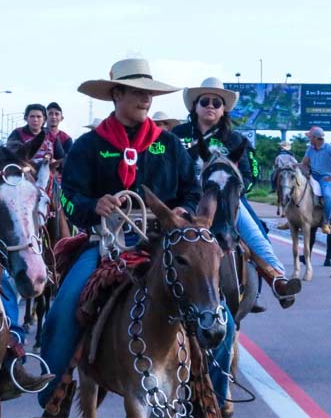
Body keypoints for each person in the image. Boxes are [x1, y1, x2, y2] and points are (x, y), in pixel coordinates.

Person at [37, 58, 237, 414]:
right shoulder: (88, 145)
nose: (145, 99)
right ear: (116, 94)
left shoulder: (169, 145)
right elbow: (67, 195)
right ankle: (53, 394)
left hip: (167, 244)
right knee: (63, 312)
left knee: (222, 318)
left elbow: (192, 191)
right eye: (136, 92)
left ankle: (214, 402)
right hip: (106, 243)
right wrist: (93, 204)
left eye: (149, 93)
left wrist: (183, 212)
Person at [173, 78, 301, 309]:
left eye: (216, 102)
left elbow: (249, 174)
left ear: (224, 109)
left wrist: (233, 194)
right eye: (205, 101)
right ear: (195, 107)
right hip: (187, 201)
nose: (210, 106)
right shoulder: (177, 136)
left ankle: (274, 282)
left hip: (228, 199)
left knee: (258, 229)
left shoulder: (236, 140)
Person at [303, 126, 331, 234]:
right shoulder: (310, 149)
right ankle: (292, 220)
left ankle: (326, 222)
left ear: (316, 138)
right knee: (295, 189)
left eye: (310, 137)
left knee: (327, 196)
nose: (309, 139)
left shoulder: (329, 148)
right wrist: (305, 172)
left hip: (326, 177)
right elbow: (304, 163)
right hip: (313, 176)